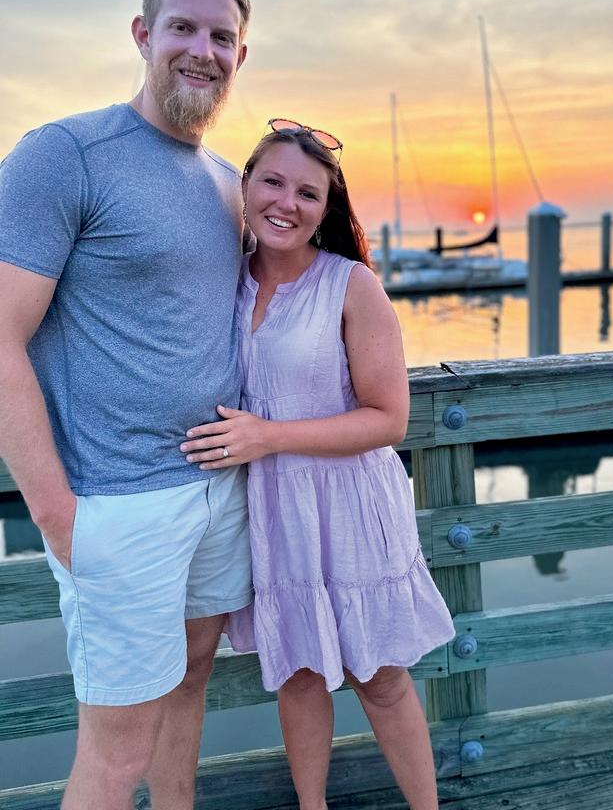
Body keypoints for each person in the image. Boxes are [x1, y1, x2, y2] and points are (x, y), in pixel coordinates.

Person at [0, 0, 251, 809]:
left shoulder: (229, 186)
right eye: (183, 27)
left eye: (221, 36)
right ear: (144, 34)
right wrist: (56, 514)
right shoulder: (64, 155)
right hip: (115, 504)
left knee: (192, 679)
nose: (202, 51)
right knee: (116, 749)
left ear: (240, 55)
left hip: (219, 490)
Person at [180, 119, 456, 810]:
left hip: (349, 502)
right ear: (244, 186)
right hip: (271, 506)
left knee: (380, 675)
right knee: (299, 672)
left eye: (308, 193)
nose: (287, 202)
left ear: (326, 208)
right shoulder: (220, 281)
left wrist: (269, 436)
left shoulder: (351, 285)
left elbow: (388, 419)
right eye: (272, 182)